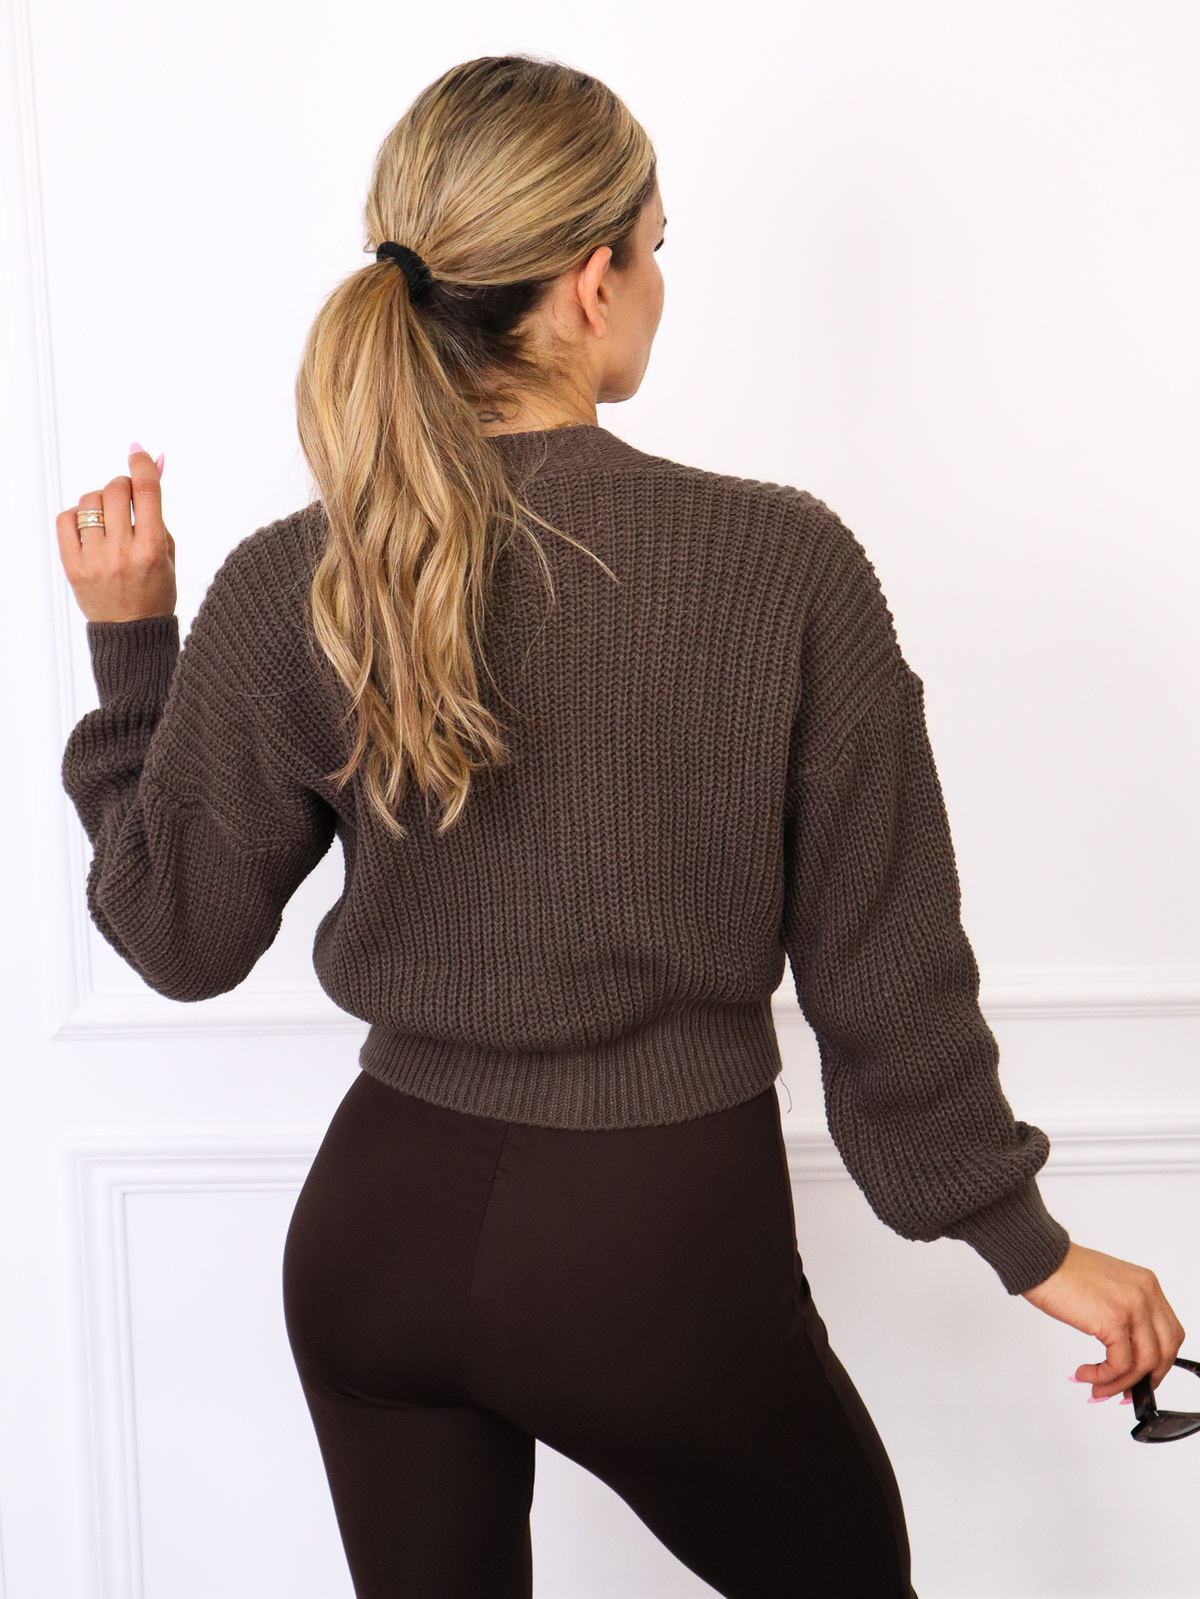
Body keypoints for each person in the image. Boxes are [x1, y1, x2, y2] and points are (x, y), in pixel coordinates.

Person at [56, 53, 1183, 1599]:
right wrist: (1027, 1245)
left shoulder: (298, 576)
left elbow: (176, 937)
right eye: (657, 246)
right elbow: (886, 972)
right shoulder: (781, 565)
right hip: (650, 1256)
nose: (659, 281)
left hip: (375, 1243)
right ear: (595, 281)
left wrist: (133, 652)